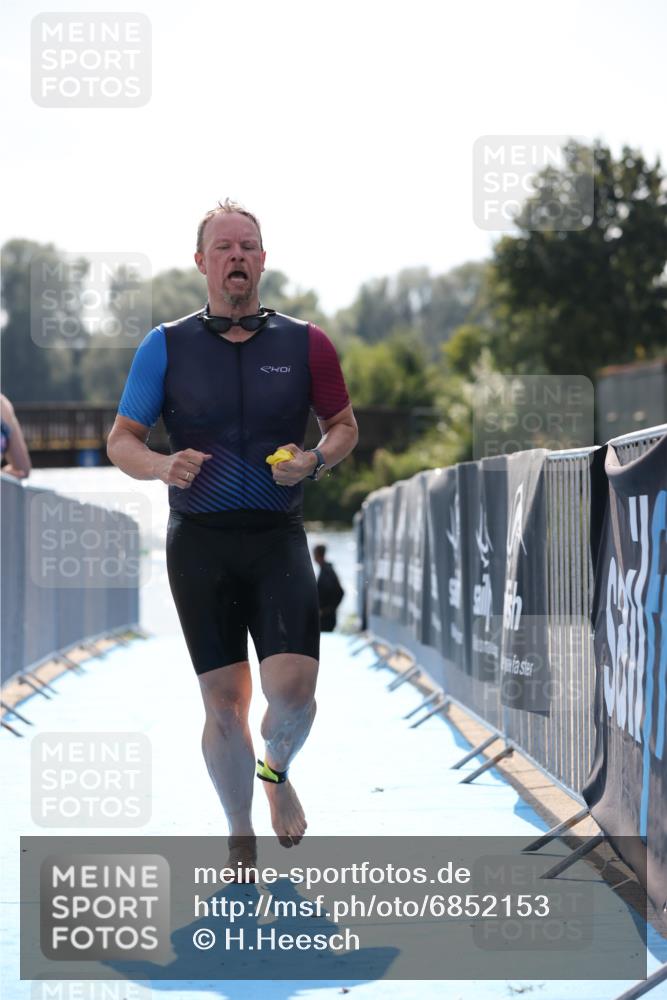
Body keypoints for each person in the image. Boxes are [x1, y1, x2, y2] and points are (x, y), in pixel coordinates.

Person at [106, 199, 358, 871]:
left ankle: (274, 771)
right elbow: (120, 440)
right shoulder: (165, 344)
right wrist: (161, 464)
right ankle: (238, 823)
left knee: (293, 693)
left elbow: (343, 425)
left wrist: (315, 460)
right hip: (200, 541)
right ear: (201, 263)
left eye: (248, 245)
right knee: (224, 706)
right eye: (223, 247)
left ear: (263, 259)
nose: (236, 256)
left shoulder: (307, 342)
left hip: (276, 536)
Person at [313, 544, 345, 631]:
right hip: (325, 617)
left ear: (317, 554)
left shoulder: (327, 571)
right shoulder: (325, 570)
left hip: (327, 619)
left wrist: (328, 610)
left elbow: (340, 592)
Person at [0, 394, 32, 479]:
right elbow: (23, 469)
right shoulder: (3, 405)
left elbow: (22, 470)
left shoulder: (4, 406)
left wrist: (3, 475)